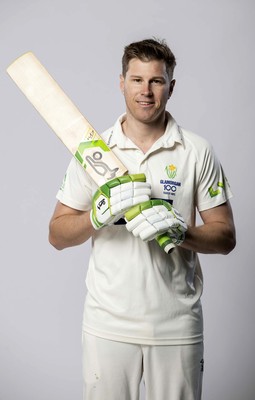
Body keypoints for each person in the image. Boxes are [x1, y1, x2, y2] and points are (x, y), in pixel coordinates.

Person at [49, 38, 236, 400]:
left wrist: (181, 232)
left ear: (171, 86)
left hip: (177, 325)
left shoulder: (196, 151)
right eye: (137, 80)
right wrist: (96, 217)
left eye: (156, 81)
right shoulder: (94, 152)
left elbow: (226, 236)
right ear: (121, 82)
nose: (146, 92)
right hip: (108, 323)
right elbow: (57, 234)